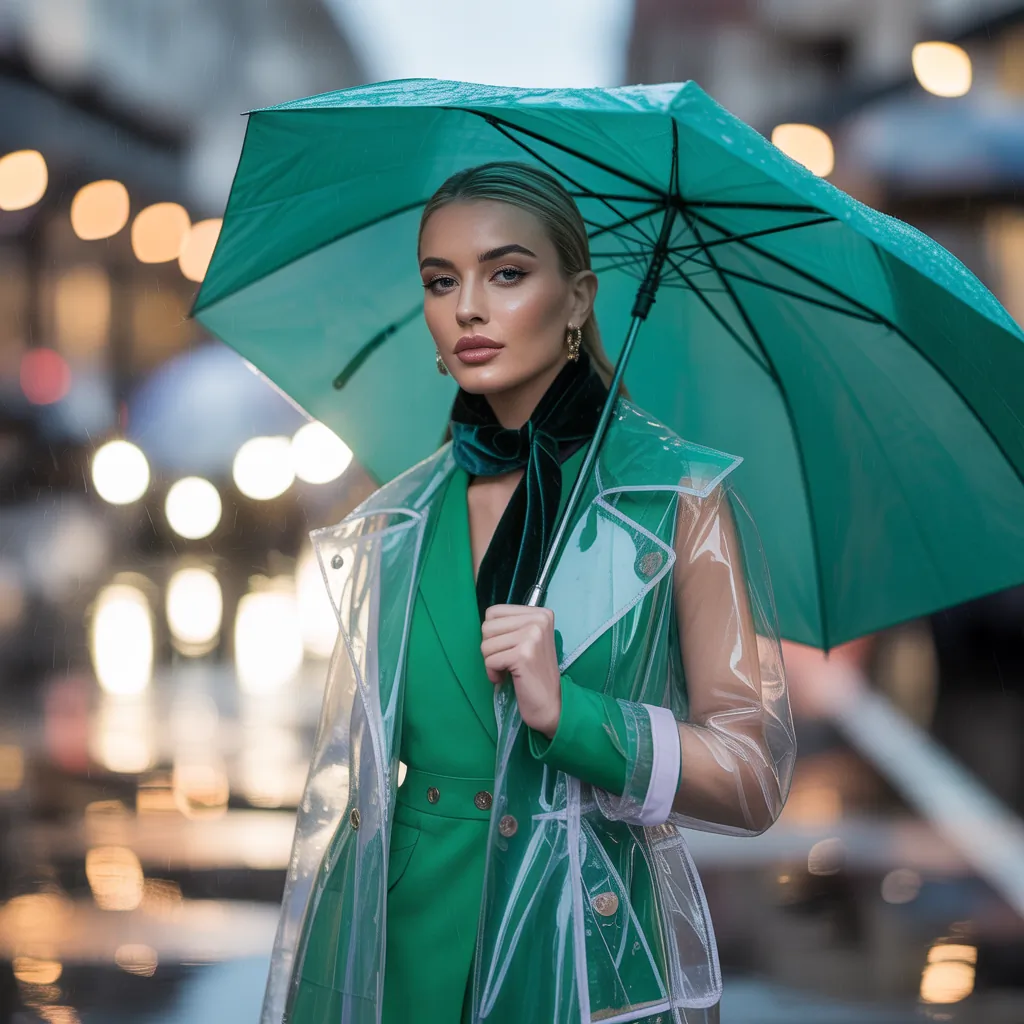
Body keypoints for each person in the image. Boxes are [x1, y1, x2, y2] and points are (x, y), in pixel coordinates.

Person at [265, 162, 796, 1024]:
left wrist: (575, 716)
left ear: (578, 299)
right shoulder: (396, 520)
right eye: (442, 281)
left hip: (584, 951)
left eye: (506, 274)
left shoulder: (675, 500)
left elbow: (753, 775)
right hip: (402, 945)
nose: (468, 308)